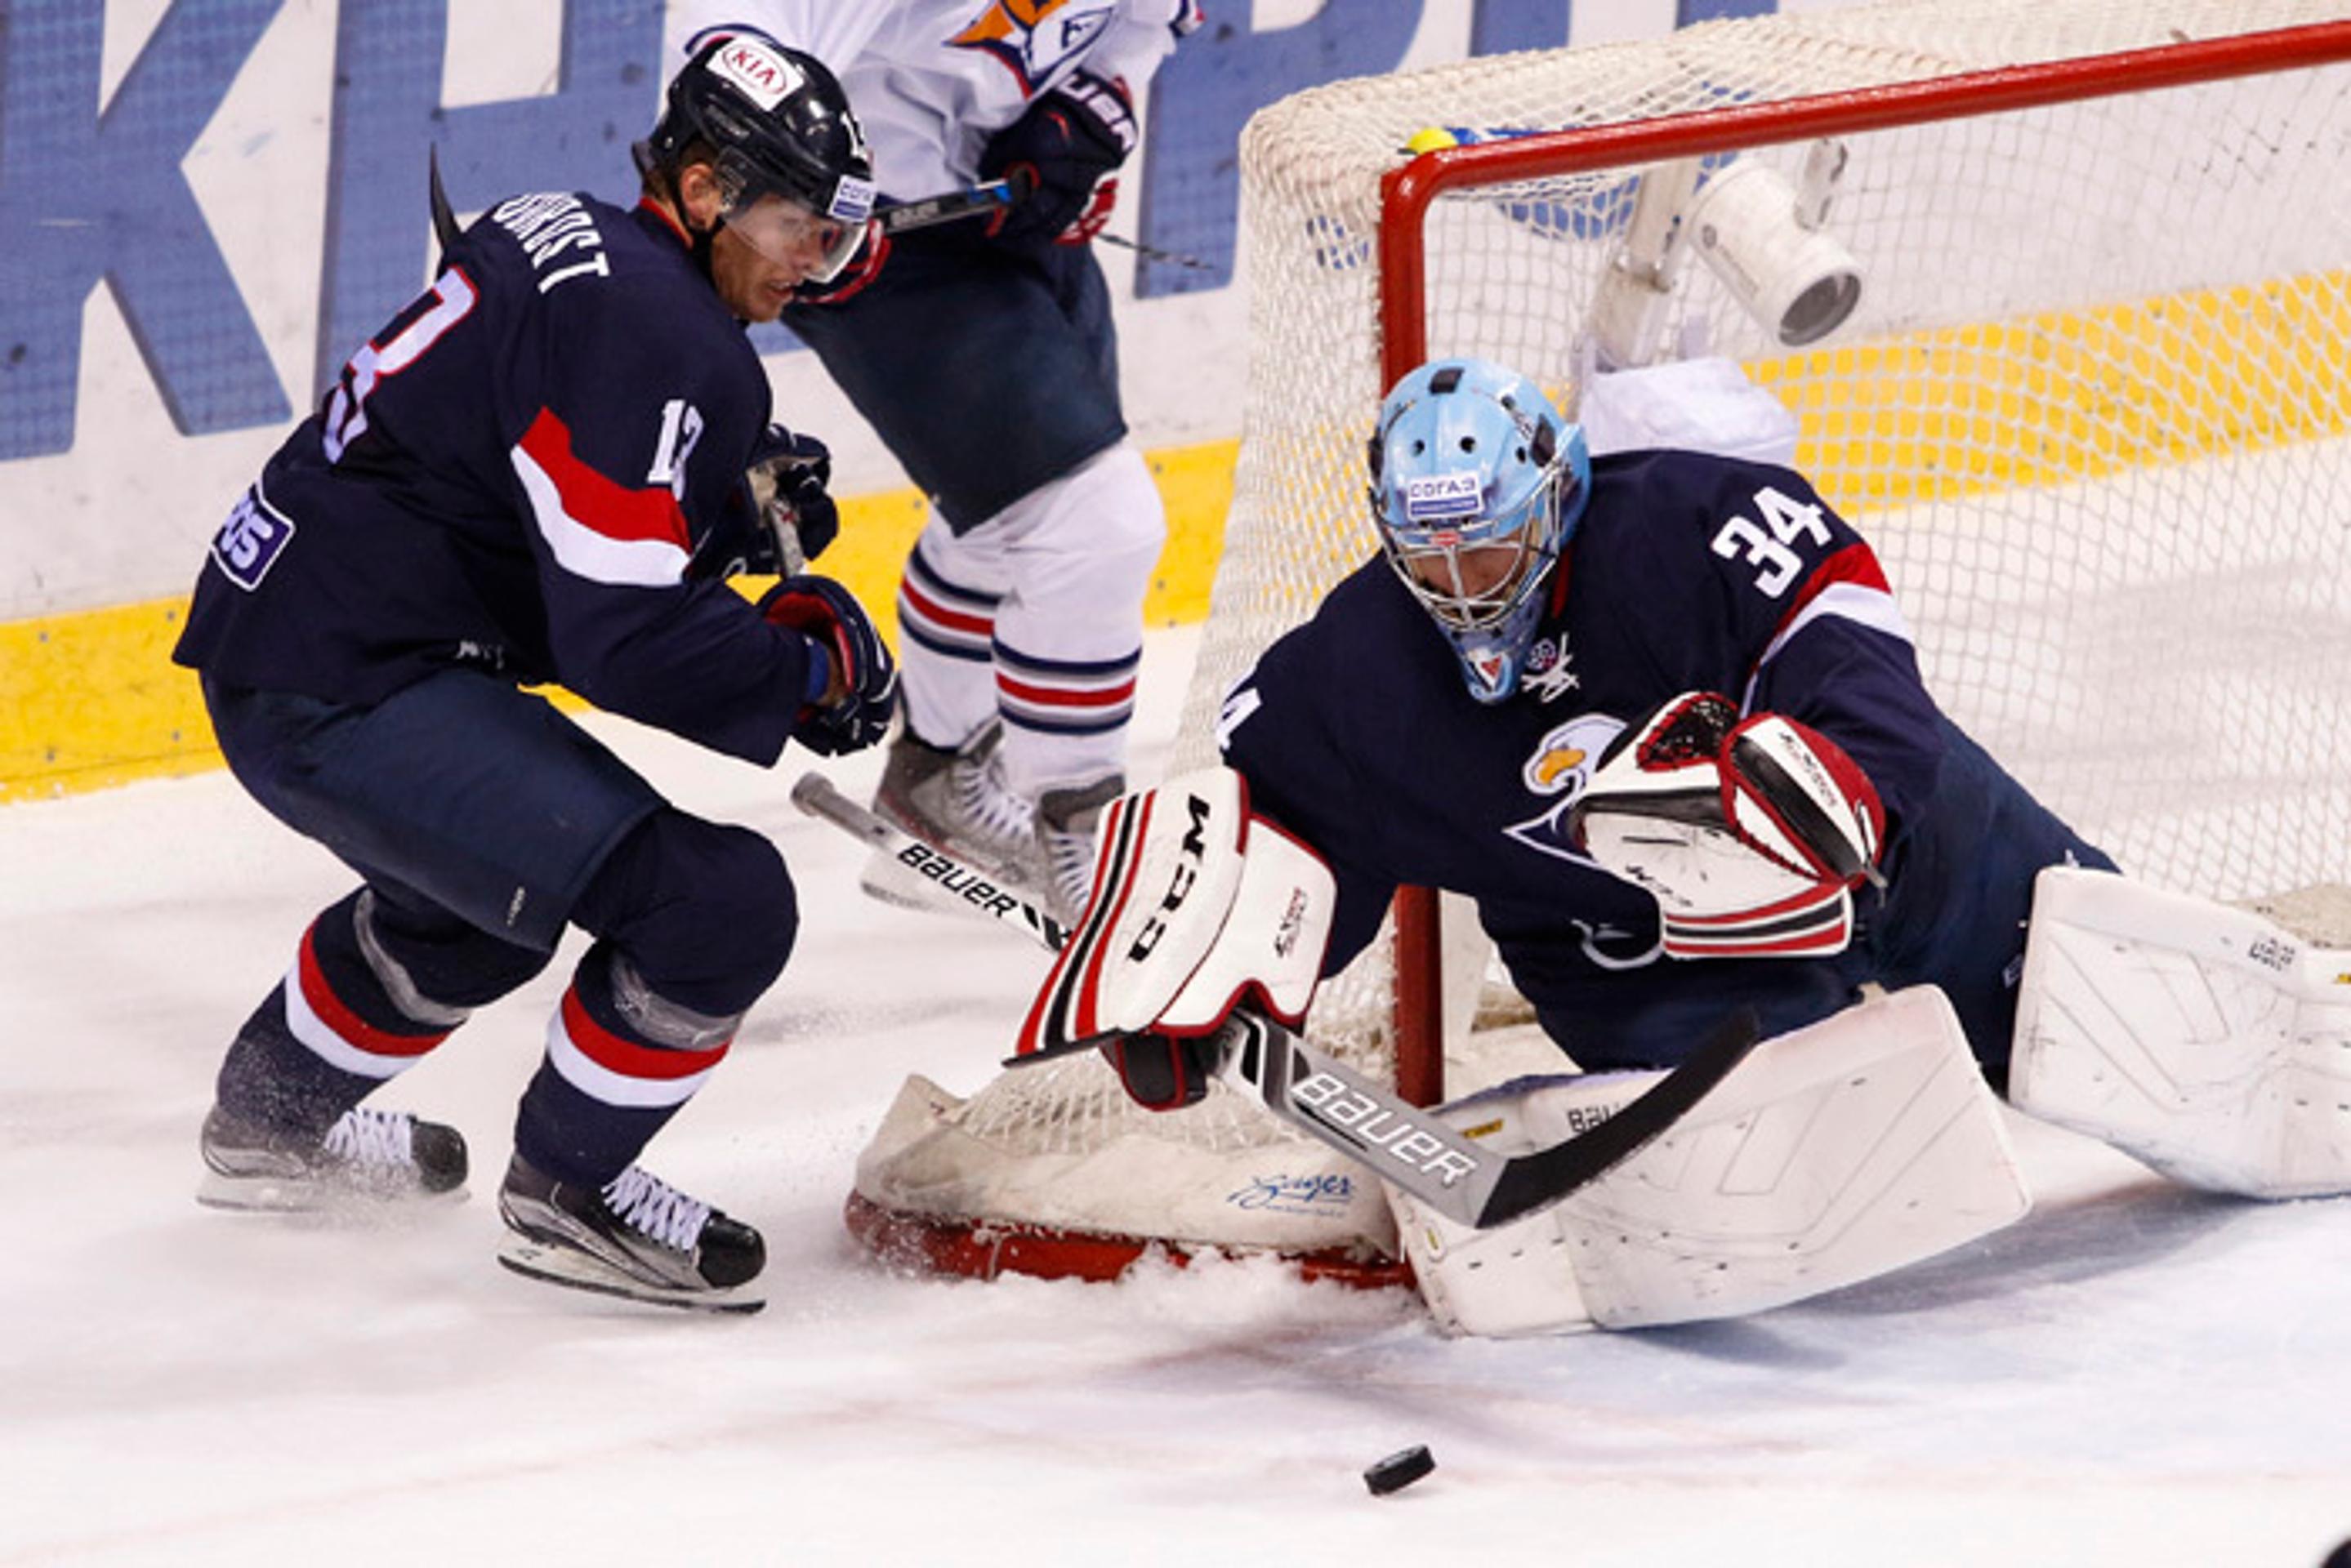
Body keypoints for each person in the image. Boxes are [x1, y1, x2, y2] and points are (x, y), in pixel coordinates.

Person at [171, 36, 899, 1312]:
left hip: (295, 635)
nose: (808, 260)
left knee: (464, 919)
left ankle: (269, 1129)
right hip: (348, 680)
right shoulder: (659, 329)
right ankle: (571, 1193)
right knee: (715, 907)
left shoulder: (577, 238)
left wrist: (721, 504)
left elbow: (529, 487)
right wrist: (802, 673)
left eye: (828, 236)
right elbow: (620, 633)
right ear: (705, 187)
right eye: (792, 222)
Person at [667, 3, 1202, 923]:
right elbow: (732, 50)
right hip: (865, 240)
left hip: (1009, 200)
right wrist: (800, 204)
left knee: (1010, 513)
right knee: (1091, 522)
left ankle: (939, 789)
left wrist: (1088, 109)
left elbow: (1148, 18)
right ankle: (1080, 832)